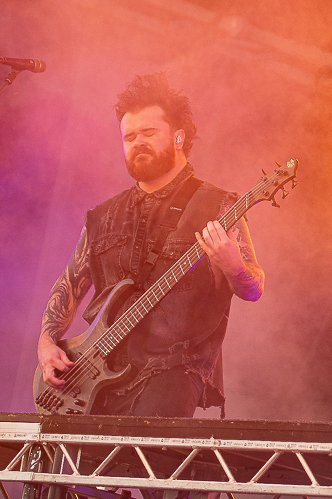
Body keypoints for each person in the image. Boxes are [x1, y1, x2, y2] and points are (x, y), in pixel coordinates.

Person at [36, 73, 264, 417]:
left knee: (146, 451)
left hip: (173, 370)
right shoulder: (103, 216)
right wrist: (46, 342)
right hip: (93, 376)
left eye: (149, 133)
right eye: (129, 137)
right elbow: (69, 284)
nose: (138, 142)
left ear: (178, 137)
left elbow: (254, 287)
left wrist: (234, 267)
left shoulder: (218, 205)